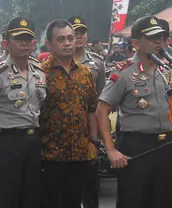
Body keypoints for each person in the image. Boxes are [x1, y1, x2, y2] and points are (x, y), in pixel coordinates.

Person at [97, 16, 172, 208]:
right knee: (134, 200)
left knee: (166, 199)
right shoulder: (124, 72)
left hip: (168, 144)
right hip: (137, 146)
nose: (159, 42)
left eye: (161, 37)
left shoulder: (169, 70)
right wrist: (111, 151)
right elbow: (102, 110)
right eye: (152, 38)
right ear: (135, 43)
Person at [0, 16, 45, 207]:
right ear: (6, 43)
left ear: (34, 44)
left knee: (30, 198)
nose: (24, 43)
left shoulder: (40, 73)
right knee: (2, 199)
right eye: (18, 39)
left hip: (32, 143)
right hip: (5, 143)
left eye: (28, 39)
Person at [39, 19, 98, 208]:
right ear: (49, 43)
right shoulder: (40, 74)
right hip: (49, 155)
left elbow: (91, 109)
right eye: (61, 39)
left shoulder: (86, 73)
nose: (67, 43)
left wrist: (94, 142)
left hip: (80, 154)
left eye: (70, 38)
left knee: (73, 202)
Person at [67, 15, 105, 208]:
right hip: (63, 128)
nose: (79, 37)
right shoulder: (55, 61)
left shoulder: (97, 62)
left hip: (89, 126)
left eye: (81, 32)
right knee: (65, 185)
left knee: (90, 181)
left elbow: (101, 99)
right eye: (74, 33)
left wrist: (97, 134)